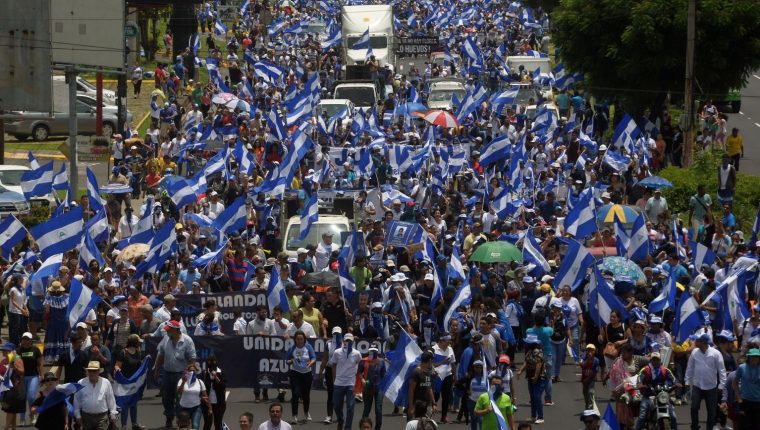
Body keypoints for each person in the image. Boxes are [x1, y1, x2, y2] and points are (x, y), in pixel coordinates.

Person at [154, 320, 197, 429]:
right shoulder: (166, 339)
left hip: (181, 375)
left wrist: (187, 376)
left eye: (169, 330)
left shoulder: (187, 340)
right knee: (166, 397)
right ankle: (169, 417)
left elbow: (192, 359)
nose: (167, 332)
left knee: (180, 399)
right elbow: (160, 355)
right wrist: (157, 370)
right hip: (167, 373)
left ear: (176, 330)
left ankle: (181, 421)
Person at [685, 333, 726, 430]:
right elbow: (690, 368)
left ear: (702, 342)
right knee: (694, 407)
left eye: (697, 341)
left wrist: (721, 385)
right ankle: (695, 427)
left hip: (711, 387)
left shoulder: (716, 353)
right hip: (697, 385)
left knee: (711, 411)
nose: (695, 342)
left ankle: (710, 428)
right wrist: (687, 381)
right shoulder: (694, 352)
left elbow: (722, 370)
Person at [634, 351, 677, 430]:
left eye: (657, 360)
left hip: (662, 395)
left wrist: (676, 384)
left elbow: (673, 378)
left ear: (660, 360)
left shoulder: (665, 370)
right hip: (648, 395)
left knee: (673, 416)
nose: (655, 361)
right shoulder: (645, 369)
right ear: (650, 360)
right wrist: (640, 384)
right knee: (642, 415)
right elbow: (639, 378)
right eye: (654, 359)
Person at [329, 332, 362, 430]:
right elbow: (333, 364)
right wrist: (334, 378)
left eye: (350, 340)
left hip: (350, 383)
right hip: (339, 382)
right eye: (346, 340)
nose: (348, 342)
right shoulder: (337, 352)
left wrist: (356, 374)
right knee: (336, 405)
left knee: (350, 407)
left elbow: (360, 364)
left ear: (353, 341)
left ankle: (348, 427)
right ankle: (340, 419)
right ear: (343, 341)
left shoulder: (356, 353)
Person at [73, 361, 118, 430]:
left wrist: (113, 414)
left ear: (99, 372)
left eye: (94, 371)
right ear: (87, 371)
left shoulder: (106, 382)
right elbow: (76, 401)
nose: (92, 373)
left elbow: (111, 400)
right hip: (86, 417)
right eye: (90, 371)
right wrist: (78, 415)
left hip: (102, 417)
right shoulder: (80, 383)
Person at [113, 334, 146, 430]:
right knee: (126, 405)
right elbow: (117, 365)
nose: (139, 343)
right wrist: (117, 369)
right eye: (138, 342)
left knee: (134, 403)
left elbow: (140, 365)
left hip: (135, 382)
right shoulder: (123, 353)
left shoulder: (138, 352)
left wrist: (146, 359)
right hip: (125, 383)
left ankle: (135, 424)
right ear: (134, 342)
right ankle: (124, 426)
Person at [285, 330, 316, 424]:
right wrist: (291, 361)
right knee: (295, 394)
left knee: (306, 395)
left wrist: (310, 364)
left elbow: (314, 358)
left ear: (304, 339)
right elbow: (287, 360)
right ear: (295, 340)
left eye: (301, 339)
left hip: (306, 374)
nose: (299, 341)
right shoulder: (292, 348)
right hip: (295, 373)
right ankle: (294, 416)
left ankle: (306, 412)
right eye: (297, 339)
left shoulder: (308, 346)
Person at [518, 334, 546, 424]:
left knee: (537, 397)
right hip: (530, 376)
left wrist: (536, 376)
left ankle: (540, 417)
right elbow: (526, 362)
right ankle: (533, 416)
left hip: (539, 378)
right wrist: (521, 371)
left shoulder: (537, 351)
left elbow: (538, 364)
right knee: (533, 397)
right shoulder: (529, 351)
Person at [17, 332, 43, 427]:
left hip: (33, 376)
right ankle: (22, 418)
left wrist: (41, 375)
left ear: (31, 340)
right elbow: (14, 364)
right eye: (24, 339)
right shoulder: (18, 350)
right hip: (21, 377)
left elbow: (40, 364)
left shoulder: (36, 350)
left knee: (31, 396)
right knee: (22, 398)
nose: (25, 341)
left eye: (27, 339)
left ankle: (33, 415)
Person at [42, 281, 69, 364]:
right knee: (63, 338)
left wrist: (44, 320)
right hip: (64, 322)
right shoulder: (67, 297)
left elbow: (47, 311)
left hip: (53, 322)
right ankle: (63, 357)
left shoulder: (49, 298)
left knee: (52, 338)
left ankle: (53, 357)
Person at [177, 363, 210, 430]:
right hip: (184, 408)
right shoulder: (181, 380)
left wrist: (210, 408)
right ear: (187, 372)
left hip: (196, 407)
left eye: (194, 371)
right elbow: (179, 392)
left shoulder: (200, 382)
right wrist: (183, 382)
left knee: (195, 426)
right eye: (190, 370)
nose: (192, 372)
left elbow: (205, 396)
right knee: (184, 427)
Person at [1, 341, 25, 430]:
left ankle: (6, 428)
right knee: (12, 411)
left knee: (10, 410)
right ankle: (13, 428)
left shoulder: (16, 359)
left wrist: (14, 367)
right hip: (6, 388)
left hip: (15, 389)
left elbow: (22, 372)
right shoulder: (4, 360)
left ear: (10, 350)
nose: (3, 351)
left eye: (5, 349)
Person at [733, 348, 760, 428]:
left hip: (758, 402)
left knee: (757, 426)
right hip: (745, 401)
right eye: (752, 356)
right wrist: (738, 397)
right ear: (748, 357)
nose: (754, 358)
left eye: (756, 356)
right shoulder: (742, 367)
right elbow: (735, 383)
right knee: (745, 425)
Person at [408, 350, 437, 421]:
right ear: (429, 360)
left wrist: (434, 403)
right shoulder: (417, 372)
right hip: (417, 405)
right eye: (432, 360)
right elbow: (411, 390)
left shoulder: (428, 372)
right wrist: (411, 406)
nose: (432, 362)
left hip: (426, 405)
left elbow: (429, 387)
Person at [201, 355, 227, 430]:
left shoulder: (221, 372)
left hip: (219, 404)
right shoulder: (204, 373)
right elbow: (200, 386)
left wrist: (216, 377)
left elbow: (223, 386)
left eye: (213, 362)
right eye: (209, 362)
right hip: (207, 404)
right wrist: (202, 397)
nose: (211, 364)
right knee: (208, 423)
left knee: (218, 423)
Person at [579, 344, 602, 410]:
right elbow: (582, 365)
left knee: (590, 392)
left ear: (594, 351)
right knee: (585, 393)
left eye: (591, 350)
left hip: (591, 379)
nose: (590, 352)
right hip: (584, 378)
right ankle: (587, 405)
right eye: (588, 350)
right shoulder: (584, 358)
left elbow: (595, 371)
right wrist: (587, 360)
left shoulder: (596, 360)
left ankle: (590, 407)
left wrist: (588, 378)